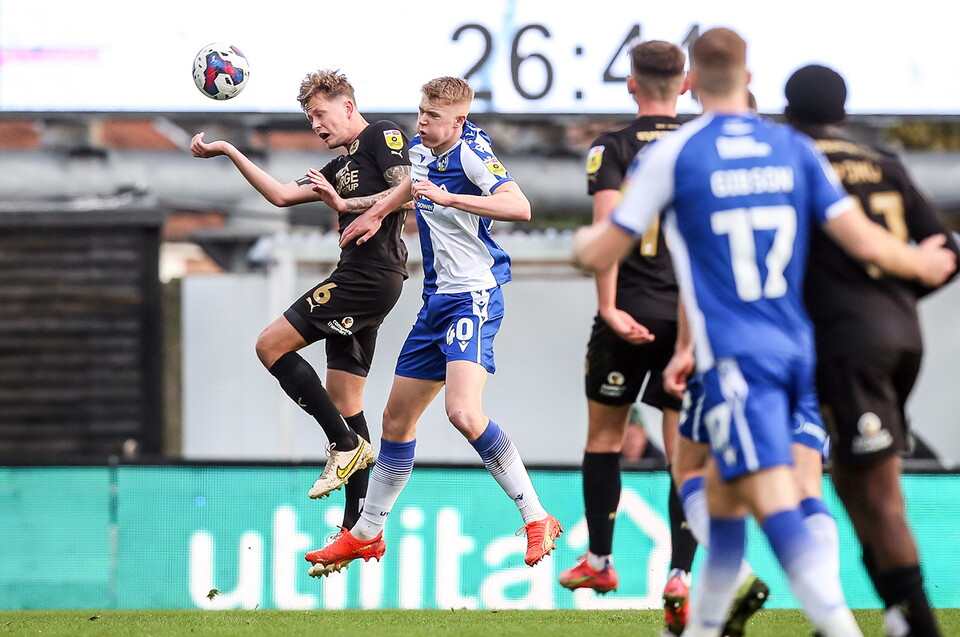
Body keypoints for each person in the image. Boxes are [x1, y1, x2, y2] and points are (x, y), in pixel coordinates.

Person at [574, 27, 955, 637]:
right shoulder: (793, 149)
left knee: (775, 499)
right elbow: (862, 239)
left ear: (692, 83)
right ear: (750, 80)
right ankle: (703, 628)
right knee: (717, 493)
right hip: (800, 348)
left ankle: (841, 626)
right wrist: (923, 264)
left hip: (735, 357)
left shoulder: (674, 154)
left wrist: (583, 243)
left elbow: (603, 247)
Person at [303, 76, 562, 575]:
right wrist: (374, 212)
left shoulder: (469, 154)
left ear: (458, 120)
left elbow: (519, 206)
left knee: (462, 412)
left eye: (431, 116)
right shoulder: (423, 149)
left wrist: (449, 199)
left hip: (473, 297)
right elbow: (409, 184)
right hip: (436, 302)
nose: (420, 122)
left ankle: (536, 516)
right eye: (420, 112)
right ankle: (366, 534)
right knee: (395, 421)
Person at [190, 70, 412, 562]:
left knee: (269, 344)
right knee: (346, 396)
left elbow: (409, 188)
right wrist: (229, 150)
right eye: (309, 117)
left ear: (348, 106)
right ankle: (359, 530)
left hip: (368, 276)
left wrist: (346, 205)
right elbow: (280, 196)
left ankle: (341, 444)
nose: (315, 124)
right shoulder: (338, 165)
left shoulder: (383, 134)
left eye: (320, 113)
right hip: (364, 277)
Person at [785, 63, 960, 637]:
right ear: (844, 112)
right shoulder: (885, 163)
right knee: (852, 478)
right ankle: (893, 613)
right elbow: (945, 248)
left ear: (787, 113)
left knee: (877, 492)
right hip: (901, 334)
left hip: (846, 342)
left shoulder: (791, 161)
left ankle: (920, 625)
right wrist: (895, 295)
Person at [555, 38, 698, 632]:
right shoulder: (700, 146)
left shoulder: (611, 146)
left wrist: (609, 307)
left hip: (628, 312)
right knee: (683, 454)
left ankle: (601, 561)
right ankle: (681, 576)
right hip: (687, 319)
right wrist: (691, 342)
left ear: (631, 84)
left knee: (606, 439)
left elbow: (609, 228)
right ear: (684, 86)